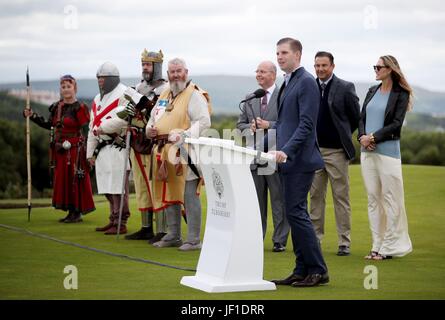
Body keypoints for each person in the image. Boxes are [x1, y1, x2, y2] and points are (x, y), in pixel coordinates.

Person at [268, 37, 329, 287]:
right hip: (287, 161)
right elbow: (283, 125)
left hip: (300, 161)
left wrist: (287, 150)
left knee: (297, 214)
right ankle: (301, 269)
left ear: (298, 55)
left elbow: (306, 124)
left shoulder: (305, 82)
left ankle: (318, 270)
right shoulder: (288, 81)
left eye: (284, 53)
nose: (279, 57)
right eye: (277, 53)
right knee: (294, 215)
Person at [146, 58, 211, 251]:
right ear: (167, 74)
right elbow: (153, 117)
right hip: (163, 150)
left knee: (189, 194)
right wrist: (149, 129)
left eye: (179, 71)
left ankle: (193, 239)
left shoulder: (194, 94)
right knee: (169, 193)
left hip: (185, 151)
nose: (176, 75)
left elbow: (204, 121)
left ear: (186, 72)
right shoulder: (165, 93)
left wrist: (184, 134)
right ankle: (173, 235)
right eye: (172, 72)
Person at [358, 55, 413, 260]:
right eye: (375, 66)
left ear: (389, 69)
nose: (375, 69)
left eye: (378, 66)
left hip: (388, 152)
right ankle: (377, 245)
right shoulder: (372, 91)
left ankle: (390, 247)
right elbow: (362, 117)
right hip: (367, 152)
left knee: (391, 199)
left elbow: (396, 123)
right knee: (374, 199)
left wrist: (373, 137)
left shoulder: (401, 93)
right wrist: (362, 137)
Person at [23, 75, 95, 222]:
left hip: (76, 150)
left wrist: (90, 152)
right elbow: (49, 124)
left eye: (69, 86)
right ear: (60, 89)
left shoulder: (80, 108)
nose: (66, 89)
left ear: (74, 88)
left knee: (75, 178)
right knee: (64, 179)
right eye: (63, 87)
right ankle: (70, 212)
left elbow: (88, 129)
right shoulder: (57, 107)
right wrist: (33, 116)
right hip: (59, 150)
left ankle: (77, 213)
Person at [309, 51, 361, 256]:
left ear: (332, 66)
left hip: (337, 151)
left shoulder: (345, 87)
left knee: (341, 197)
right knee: (315, 196)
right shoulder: (310, 86)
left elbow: (356, 118)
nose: (320, 69)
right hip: (313, 151)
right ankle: (315, 240)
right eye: (317, 66)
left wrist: (344, 136)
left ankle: (344, 242)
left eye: (324, 65)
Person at [236, 60, 289, 252]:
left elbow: (288, 123)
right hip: (255, 155)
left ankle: (280, 240)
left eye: (263, 72)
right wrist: (249, 127)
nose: (258, 75)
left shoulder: (284, 96)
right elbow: (239, 124)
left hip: (276, 155)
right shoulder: (250, 97)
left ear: (273, 75)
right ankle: (256, 237)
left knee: (278, 200)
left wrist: (269, 125)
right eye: (257, 71)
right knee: (257, 200)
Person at [120, 49, 169, 243]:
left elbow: (162, 114)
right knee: (140, 185)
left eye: (148, 65)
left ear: (157, 66)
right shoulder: (138, 87)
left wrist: (145, 105)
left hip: (153, 141)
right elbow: (131, 113)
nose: (145, 68)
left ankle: (163, 229)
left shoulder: (164, 89)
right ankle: (146, 227)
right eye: (143, 65)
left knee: (155, 184)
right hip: (136, 141)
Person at [86, 62, 131, 235]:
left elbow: (126, 118)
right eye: (99, 78)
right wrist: (90, 153)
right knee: (107, 186)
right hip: (102, 148)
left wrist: (105, 127)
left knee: (119, 186)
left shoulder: (125, 94)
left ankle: (121, 221)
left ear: (112, 79)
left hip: (118, 146)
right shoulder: (98, 99)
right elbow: (92, 126)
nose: (100, 81)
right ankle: (112, 219)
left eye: (103, 78)